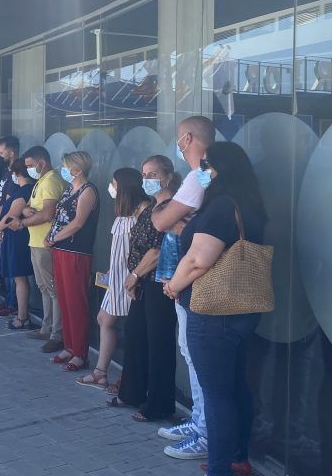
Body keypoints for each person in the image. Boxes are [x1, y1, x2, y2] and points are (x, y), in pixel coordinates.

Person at [162, 141, 267, 476]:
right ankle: (238, 458)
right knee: (236, 387)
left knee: (216, 394)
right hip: (244, 309)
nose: (200, 170)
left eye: (206, 164)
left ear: (222, 168)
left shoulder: (222, 205)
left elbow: (197, 260)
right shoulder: (250, 205)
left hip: (212, 312)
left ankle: (219, 468)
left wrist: (173, 286)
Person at [152, 115, 215, 461]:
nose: (177, 143)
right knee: (190, 353)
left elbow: (161, 219)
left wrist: (170, 215)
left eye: (178, 138)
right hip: (189, 279)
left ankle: (205, 431)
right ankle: (199, 422)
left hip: (195, 281)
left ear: (187, 138)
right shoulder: (206, 176)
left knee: (196, 356)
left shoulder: (197, 177)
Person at [117, 155, 180, 422]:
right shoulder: (151, 207)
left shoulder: (172, 208)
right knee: (135, 336)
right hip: (142, 283)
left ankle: (158, 404)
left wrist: (134, 275)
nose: (147, 180)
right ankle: (131, 392)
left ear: (167, 176)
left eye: (153, 174)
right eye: (144, 175)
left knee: (158, 343)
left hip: (158, 283)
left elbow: (157, 251)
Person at [78, 168, 147, 389]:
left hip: (132, 279)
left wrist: (135, 275)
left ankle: (125, 377)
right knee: (104, 319)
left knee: (129, 328)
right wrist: (110, 270)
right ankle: (101, 372)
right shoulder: (123, 212)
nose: (111, 187)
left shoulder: (143, 211)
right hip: (116, 277)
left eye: (114, 183)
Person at [42, 150, 99, 370]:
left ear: (78, 168)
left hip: (76, 251)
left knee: (76, 301)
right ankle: (70, 345)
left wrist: (54, 237)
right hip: (60, 248)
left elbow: (77, 223)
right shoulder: (69, 189)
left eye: (67, 166)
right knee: (64, 299)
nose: (64, 170)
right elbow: (59, 218)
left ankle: (80, 351)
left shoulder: (88, 191)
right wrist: (51, 236)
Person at [18, 146, 70, 354]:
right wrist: (25, 211)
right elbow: (27, 204)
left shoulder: (51, 181)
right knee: (43, 287)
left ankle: (57, 334)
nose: (29, 169)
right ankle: (46, 327)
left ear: (42, 162)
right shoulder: (41, 180)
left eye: (31, 166)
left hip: (46, 243)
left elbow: (47, 214)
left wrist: (23, 222)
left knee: (53, 289)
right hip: (36, 241)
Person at [0, 160, 35, 330]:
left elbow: (11, 216)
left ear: (17, 173)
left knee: (19, 278)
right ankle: (21, 314)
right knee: (18, 278)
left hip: (17, 238)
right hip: (14, 237)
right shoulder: (23, 190)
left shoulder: (24, 190)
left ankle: (22, 316)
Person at [0, 135, 21, 317]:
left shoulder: (17, 172)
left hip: (8, 223)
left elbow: (11, 202)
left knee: (12, 268)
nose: (0, 155)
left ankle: (13, 303)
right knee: (6, 266)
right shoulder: (7, 170)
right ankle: (8, 300)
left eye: (2, 151)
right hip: (1, 220)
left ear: (12, 150)